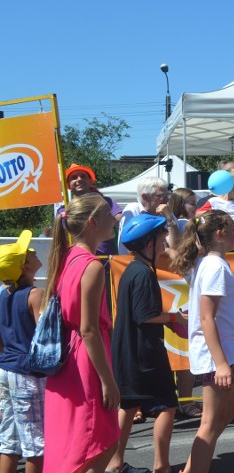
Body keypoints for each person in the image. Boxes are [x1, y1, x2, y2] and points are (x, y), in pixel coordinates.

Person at [43, 194, 121, 473]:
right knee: (97, 441)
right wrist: (108, 381)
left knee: (77, 443)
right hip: (85, 361)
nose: (114, 218)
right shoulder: (91, 265)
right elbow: (89, 329)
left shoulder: (66, 258)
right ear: (92, 222)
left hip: (68, 359)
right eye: (109, 214)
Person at [107, 215, 187, 473]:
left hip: (127, 349)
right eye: (162, 240)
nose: (164, 244)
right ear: (149, 244)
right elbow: (146, 316)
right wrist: (176, 317)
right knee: (167, 406)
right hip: (145, 352)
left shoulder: (132, 269)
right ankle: (161, 466)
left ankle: (115, 463)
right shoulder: (143, 273)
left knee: (129, 405)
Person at [170, 210, 234, 473]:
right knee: (210, 424)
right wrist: (221, 364)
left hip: (225, 353)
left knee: (231, 410)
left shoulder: (212, 263)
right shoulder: (214, 266)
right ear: (220, 234)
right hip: (216, 356)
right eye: (233, 229)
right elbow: (206, 317)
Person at [0, 230, 45, 473]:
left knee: (10, 438)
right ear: (25, 266)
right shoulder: (35, 295)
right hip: (28, 373)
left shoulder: (2, 296)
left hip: (6, 369)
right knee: (36, 442)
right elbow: (44, 336)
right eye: (28, 252)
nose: (33, 251)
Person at [167, 188, 204, 421]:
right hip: (181, 290)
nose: (195, 207)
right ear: (180, 204)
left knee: (186, 350)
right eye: (191, 203)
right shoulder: (182, 224)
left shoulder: (189, 223)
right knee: (184, 349)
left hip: (186, 289)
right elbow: (177, 250)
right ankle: (185, 400)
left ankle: (185, 399)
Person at [57, 163, 123, 255]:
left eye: (83, 176)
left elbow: (121, 220)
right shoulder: (64, 210)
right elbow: (65, 237)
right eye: (74, 177)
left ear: (91, 181)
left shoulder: (105, 202)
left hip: (107, 261)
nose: (79, 179)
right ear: (68, 184)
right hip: (80, 258)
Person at [118, 177, 179, 256]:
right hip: (137, 265)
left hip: (163, 266)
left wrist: (169, 218)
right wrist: (167, 251)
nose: (166, 200)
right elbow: (133, 248)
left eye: (168, 195)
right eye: (161, 196)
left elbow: (175, 246)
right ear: (145, 197)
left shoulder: (167, 212)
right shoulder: (133, 209)